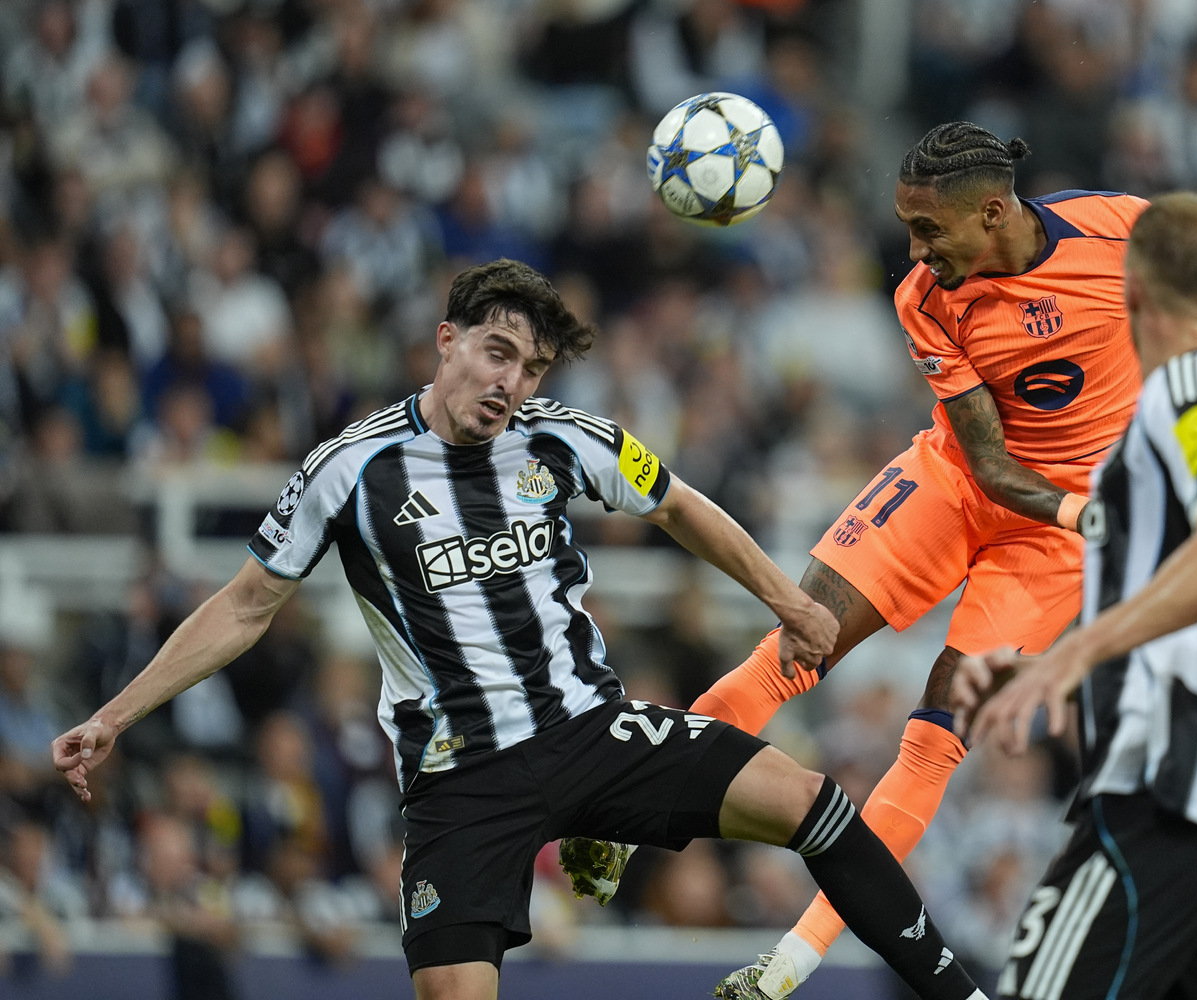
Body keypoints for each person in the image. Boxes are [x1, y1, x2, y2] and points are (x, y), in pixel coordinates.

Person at [51, 259, 987, 1000]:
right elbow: (245, 604)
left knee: (814, 802)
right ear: (446, 340)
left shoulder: (563, 437)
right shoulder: (350, 469)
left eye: (531, 367)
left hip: (590, 731)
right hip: (461, 781)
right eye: (497, 353)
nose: (511, 382)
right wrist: (115, 716)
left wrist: (788, 599)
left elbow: (677, 503)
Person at [697, 122, 1148, 998]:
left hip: (1052, 543)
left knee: (939, 732)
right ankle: (624, 815)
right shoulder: (925, 298)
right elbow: (991, 467)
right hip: (964, 483)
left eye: (928, 229)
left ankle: (791, 961)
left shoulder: (1122, 232)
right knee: (800, 640)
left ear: (993, 213)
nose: (913, 251)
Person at [952, 192, 1197, 1000]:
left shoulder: (1192, 390)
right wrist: (1048, 667)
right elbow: (1188, 585)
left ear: (1130, 291)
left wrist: (1073, 654)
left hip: (1163, 806)